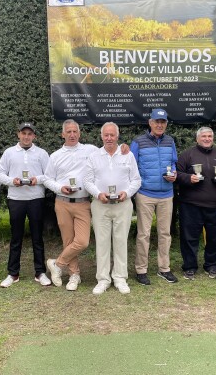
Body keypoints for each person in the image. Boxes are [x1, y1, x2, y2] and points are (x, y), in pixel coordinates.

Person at [83, 122, 141, 295]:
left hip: (123, 204)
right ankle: (103, 279)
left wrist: (127, 192)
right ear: (102, 136)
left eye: (112, 135)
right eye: (106, 135)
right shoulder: (94, 156)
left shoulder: (127, 154)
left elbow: (136, 180)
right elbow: (87, 181)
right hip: (100, 205)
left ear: (117, 135)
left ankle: (120, 278)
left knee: (121, 240)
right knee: (101, 242)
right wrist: (98, 193)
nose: (109, 138)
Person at [0, 122, 51, 288]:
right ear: (18, 134)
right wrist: (12, 181)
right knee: (16, 238)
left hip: (36, 199)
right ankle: (13, 273)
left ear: (34, 136)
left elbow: (49, 175)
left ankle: (40, 272)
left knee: (37, 237)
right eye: (23, 133)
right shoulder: (9, 152)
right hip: (16, 199)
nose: (26, 136)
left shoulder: (41, 153)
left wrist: (38, 179)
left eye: (30, 134)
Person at [44, 120, 97, 291]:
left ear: (79, 133)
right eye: (69, 131)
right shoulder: (56, 155)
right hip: (63, 203)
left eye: (75, 131)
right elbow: (46, 179)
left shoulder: (90, 150)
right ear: (63, 134)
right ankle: (75, 275)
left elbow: (108, 153)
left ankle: (56, 264)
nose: (72, 134)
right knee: (68, 241)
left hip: (83, 203)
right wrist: (60, 188)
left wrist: (123, 148)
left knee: (82, 241)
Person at [130, 108, 179, 285]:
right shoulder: (138, 142)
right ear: (150, 123)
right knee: (143, 233)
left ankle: (164, 268)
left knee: (165, 233)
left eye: (163, 122)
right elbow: (131, 166)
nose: (160, 125)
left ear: (166, 124)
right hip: (145, 194)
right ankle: (141, 269)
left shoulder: (170, 141)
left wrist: (174, 174)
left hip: (166, 194)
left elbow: (173, 162)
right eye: (157, 122)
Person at [176, 127, 216, 280]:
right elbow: (177, 174)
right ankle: (189, 267)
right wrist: (188, 178)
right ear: (197, 139)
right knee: (189, 238)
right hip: (191, 205)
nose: (207, 139)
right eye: (204, 136)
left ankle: (212, 265)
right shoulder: (187, 154)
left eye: (210, 136)